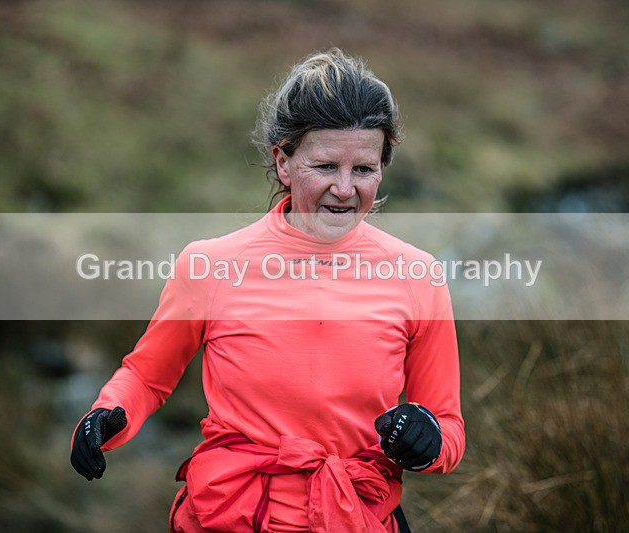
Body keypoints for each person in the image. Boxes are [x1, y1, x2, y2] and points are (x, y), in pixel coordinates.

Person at [70, 48, 464, 533]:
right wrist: (106, 416)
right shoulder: (210, 265)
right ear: (283, 162)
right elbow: (147, 377)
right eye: (325, 166)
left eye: (363, 169)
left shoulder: (418, 276)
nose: (345, 189)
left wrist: (427, 441)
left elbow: (448, 427)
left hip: (356, 517)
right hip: (227, 516)